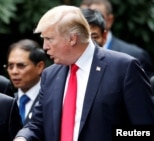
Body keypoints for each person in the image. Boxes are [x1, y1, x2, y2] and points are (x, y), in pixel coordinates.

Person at [13, 5, 154, 141]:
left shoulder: (123, 68)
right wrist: (22, 137)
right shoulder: (50, 75)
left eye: (49, 39)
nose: (45, 47)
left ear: (72, 38)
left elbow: (145, 130)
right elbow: (37, 123)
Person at [80, 0, 154, 77]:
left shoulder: (134, 56)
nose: (88, 22)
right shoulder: (71, 59)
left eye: (97, 16)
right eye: (82, 18)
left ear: (110, 20)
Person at [6, 39, 46, 125]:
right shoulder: (7, 102)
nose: (14, 71)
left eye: (21, 66)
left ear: (39, 67)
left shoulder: (50, 99)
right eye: (10, 66)